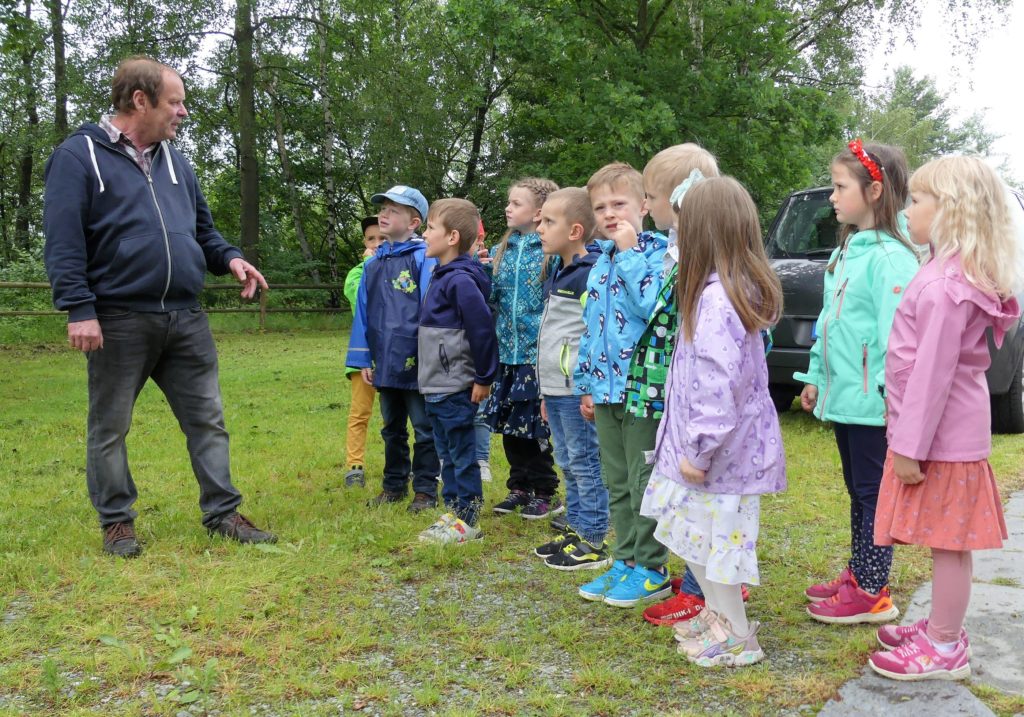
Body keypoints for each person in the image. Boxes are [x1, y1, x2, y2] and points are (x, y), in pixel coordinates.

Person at [42, 56, 276, 558]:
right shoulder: (78, 156)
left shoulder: (177, 162)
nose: (184, 113)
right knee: (110, 427)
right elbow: (63, 242)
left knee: (208, 419)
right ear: (140, 100)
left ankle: (223, 512)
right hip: (118, 319)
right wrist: (79, 308)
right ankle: (117, 522)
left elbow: (203, 231)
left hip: (185, 317)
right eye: (176, 102)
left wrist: (231, 259)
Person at [868, 156, 1020, 680]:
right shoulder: (947, 274)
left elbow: (932, 376)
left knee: (950, 546)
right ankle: (941, 626)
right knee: (946, 543)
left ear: (951, 211)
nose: (906, 211)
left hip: (941, 440)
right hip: (949, 436)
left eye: (916, 201)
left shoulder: (943, 287)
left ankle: (945, 645)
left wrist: (908, 446)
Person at [642, 176, 786, 667]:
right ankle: (723, 621)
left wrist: (698, 450)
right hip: (712, 454)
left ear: (702, 232)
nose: (676, 235)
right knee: (703, 540)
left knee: (719, 545)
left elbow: (717, 386)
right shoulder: (716, 292)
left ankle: (740, 636)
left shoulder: (718, 300)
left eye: (683, 226)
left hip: (720, 457)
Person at [795, 140, 920, 624]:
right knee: (858, 488)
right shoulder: (848, 250)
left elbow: (901, 342)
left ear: (873, 191)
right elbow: (831, 323)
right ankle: (860, 571)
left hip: (876, 405)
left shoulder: (892, 259)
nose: (831, 196)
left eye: (839, 186)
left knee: (873, 494)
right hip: (848, 399)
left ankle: (873, 590)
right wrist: (816, 377)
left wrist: (897, 403)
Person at [625, 144, 728, 627]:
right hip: (679, 390)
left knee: (703, 497)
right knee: (686, 498)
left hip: (700, 400)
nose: (645, 206)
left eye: (650, 195)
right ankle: (701, 586)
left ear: (678, 197)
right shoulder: (675, 252)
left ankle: (708, 591)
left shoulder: (706, 263)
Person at [575, 162, 672, 607]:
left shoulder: (655, 253)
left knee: (643, 478)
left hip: (642, 393)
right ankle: (625, 558)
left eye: (620, 204)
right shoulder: (598, 263)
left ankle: (651, 566)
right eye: (601, 207)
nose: (610, 214)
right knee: (616, 479)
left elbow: (653, 305)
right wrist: (586, 384)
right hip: (606, 391)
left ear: (645, 206)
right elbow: (590, 328)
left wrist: (632, 253)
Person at [346, 185, 441, 512]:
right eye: (382, 208)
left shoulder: (424, 259)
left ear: (414, 222)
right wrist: (364, 358)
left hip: (417, 359)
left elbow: (432, 307)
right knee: (391, 427)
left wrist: (431, 354)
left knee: (424, 427)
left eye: (393, 210)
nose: (384, 215)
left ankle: (426, 489)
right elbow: (363, 314)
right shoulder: (372, 266)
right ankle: (394, 485)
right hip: (384, 360)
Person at [531, 188, 610, 569]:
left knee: (584, 462)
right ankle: (576, 530)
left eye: (548, 221)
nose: (539, 228)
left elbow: (595, 335)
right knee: (566, 459)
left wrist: (588, 387)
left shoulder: (589, 273)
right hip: (556, 389)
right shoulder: (559, 271)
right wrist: (546, 392)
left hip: (576, 389)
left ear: (576, 230)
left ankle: (593, 539)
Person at [416, 199, 498, 544]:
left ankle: (468, 520)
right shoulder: (442, 275)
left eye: (430, 228)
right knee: (445, 452)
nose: (424, 233)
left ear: (451, 237)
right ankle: (454, 510)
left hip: (455, 384)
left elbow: (481, 330)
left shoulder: (461, 280)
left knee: (462, 453)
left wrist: (483, 377)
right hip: (435, 383)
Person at [483, 178, 564, 520]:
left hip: (536, 354)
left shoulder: (549, 252)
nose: (508, 208)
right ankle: (518, 488)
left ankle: (545, 491)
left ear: (538, 213)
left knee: (534, 427)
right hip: (508, 353)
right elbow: (493, 299)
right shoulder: (504, 249)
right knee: (510, 425)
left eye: (516, 203)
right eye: (509, 202)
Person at [342, 216, 384, 487]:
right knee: (360, 413)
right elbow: (360, 302)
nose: (378, 243)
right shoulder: (358, 272)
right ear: (364, 244)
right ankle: (354, 465)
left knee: (403, 415)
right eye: (372, 239)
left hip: (396, 355)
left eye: (383, 238)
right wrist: (371, 265)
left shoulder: (402, 269)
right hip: (363, 357)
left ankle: (415, 464)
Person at [472, 219, 493, 483]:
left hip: (481, 348)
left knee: (479, 409)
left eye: (479, 239)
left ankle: (481, 459)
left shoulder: (488, 269)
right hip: (450, 351)